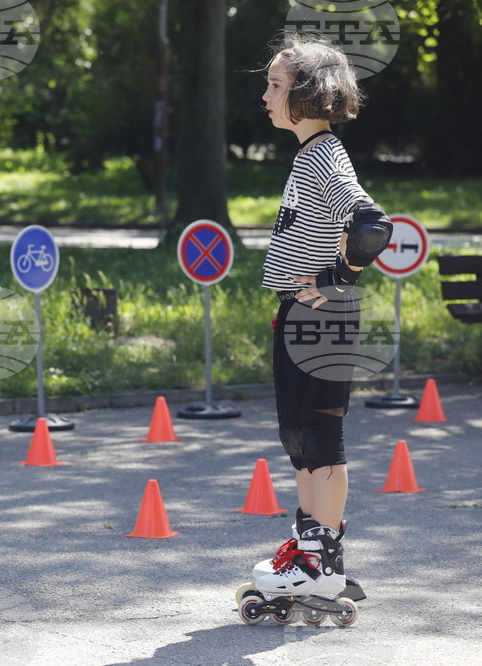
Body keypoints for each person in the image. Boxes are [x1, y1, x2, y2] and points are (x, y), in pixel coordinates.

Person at [253, 33, 392, 601]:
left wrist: (335, 281)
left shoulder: (325, 157)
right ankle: (308, 547)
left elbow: (371, 226)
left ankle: (323, 561)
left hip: (322, 320)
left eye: (276, 85)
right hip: (301, 317)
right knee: (299, 438)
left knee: (320, 436)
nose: (265, 95)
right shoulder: (309, 154)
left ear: (308, 95)